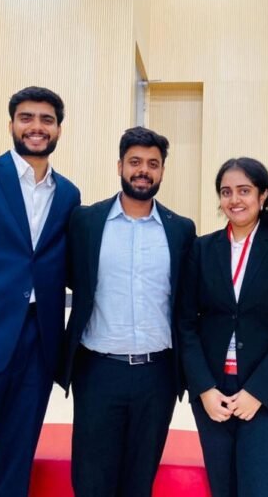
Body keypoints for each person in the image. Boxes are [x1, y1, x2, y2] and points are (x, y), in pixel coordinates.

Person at [0, 86, 81, 497]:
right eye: (26, 118)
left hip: (38, 347)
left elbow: (66, 266)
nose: (36, 127)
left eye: (46, 120)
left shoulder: (69, 194)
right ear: (11, 125)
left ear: (58, 129)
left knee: (15, 467)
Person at [57, 126, 196, 497]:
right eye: (135, 162)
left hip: (158, 375)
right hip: (98, 370)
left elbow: (186, 301)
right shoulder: (85, 222)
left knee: (140, 480)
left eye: (153, 163)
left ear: (162, 171)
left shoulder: (181, 230)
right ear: (120, 166)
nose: (143, 170)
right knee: (92, 481)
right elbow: (69, 277)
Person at [176, 157, 268, 497]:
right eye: (226, 192)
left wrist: (259, 391)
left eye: (244, 191)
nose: (234, 199)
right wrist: (204, 388)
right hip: (215, 393)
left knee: (261, 489)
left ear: (263, 195)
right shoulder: (202, 249)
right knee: (224, 488)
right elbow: (185, 324)